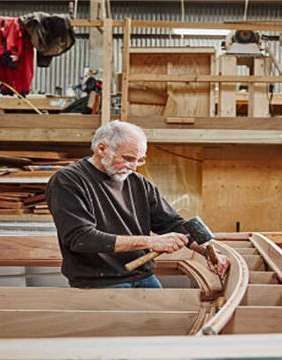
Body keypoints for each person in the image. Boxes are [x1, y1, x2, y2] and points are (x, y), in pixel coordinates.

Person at [46, 120, 230, 288]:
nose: (134, 167)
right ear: (101, 149)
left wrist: (208, 252)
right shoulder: (68, 181)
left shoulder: (138, 183)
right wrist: (151, 242)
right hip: (99, 281)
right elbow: (81, 238)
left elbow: (171, 223)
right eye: (128, 159)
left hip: (142, 275)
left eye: (139, 159)